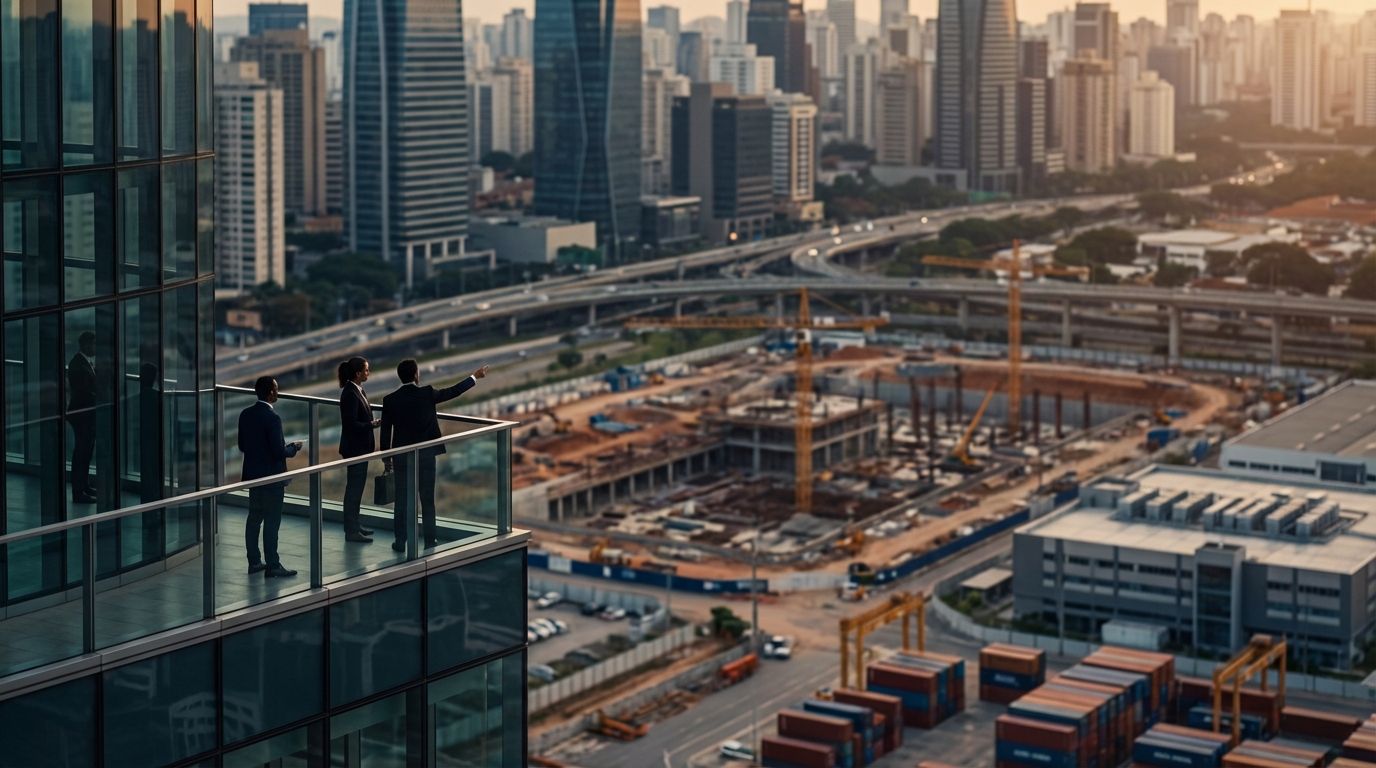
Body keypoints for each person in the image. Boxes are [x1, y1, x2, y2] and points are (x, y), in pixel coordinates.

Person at [379, 359, 488, 553]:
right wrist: (474, 377)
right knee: (427, 500)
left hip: (402, 458)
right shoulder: (427, 393)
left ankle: (400, 541)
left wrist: (387, 459)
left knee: (402, 499)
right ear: (415, 375)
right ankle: (430, 540)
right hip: (427, 457)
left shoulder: (390, 400)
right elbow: (453, 391)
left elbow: (385, 433)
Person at [238, 376, 302, 577]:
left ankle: (254, 562)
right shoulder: (273, 418)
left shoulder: (245, 414)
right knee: (272, 522)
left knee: (254, 518)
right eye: (276, 389)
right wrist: (293, 448)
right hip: (272, 478)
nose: (278, 392)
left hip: (254, 476)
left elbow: (242, 446)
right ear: (270, 393)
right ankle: (273, 564)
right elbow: (277, 451)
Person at [337, 357, 379, 543]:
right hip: (355, 449)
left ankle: (354, 525)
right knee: (353, 490)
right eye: (366, 370)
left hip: (360, 448)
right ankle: (351, 530)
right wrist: (372, 424)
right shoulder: (350, 394)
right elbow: (351, 424)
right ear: (358, 373)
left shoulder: (357, 390)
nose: (368, 373)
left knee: (356, 489)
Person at [67, 331, 98, 504]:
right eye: (93, 344)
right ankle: (78, 491)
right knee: (81, 453)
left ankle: (84, 486)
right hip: (82, 415)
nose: (95, 348)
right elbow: (82, 392)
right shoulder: (78, 364)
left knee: (85, 452)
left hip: (86, 414)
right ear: (85, 345)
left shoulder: (83, 363)